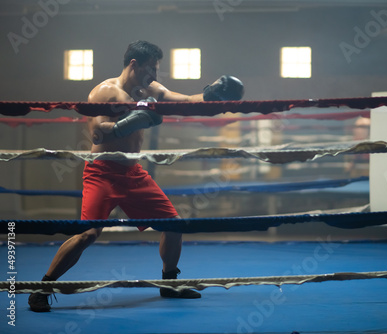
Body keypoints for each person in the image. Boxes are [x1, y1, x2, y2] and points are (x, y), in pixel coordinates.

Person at [28, 40, 244, 312]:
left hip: (132, 172)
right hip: (102, 172)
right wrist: (136, 118)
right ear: (134, 65)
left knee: (175, 226)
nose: (155, 75)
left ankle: (169, 283)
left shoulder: (150, 89)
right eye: (151, 68)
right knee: (88, 235)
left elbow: (187, 101)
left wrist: (213, 94)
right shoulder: (105, 92)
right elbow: (97, 133)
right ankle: (42, 288)